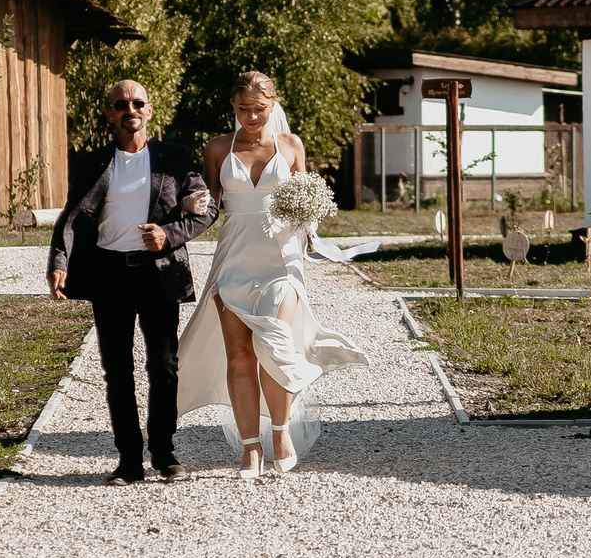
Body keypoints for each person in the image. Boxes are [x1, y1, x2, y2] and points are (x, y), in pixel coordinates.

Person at [177, 72, 369, 479]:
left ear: (273, 105)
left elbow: (308, 200)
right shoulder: (218, 148)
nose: (251, 117)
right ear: (233, 107)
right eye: (243, 109)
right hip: (233, 259)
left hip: (282, 260)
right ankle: (251, 447)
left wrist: (311, 223)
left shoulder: (291, 145)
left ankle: (281, 432)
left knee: (274, 342)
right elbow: (209, 206)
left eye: (259, 109)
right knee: (239, 355)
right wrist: (192, 204)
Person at [47, 80, 216, 484]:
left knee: (164, 365)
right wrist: (59, 261)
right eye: (121, 104)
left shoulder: (174, 158)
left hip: (159, 275)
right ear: (110, 114)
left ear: (149, 110)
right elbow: (72, 216)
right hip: (109, 274)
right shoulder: (92, 163)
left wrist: (168, 235)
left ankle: (164, 452)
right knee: (117, 369)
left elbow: (206, 210)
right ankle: (128, 459)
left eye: (138, 103)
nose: (130, 110)